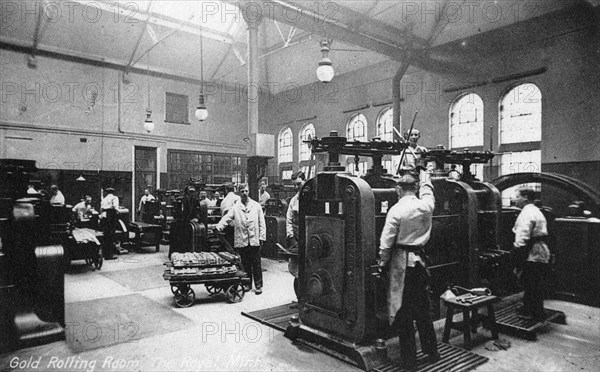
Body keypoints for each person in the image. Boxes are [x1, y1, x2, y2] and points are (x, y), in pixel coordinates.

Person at [378, 166, 439, 370]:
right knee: (423, 311)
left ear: (398, 189)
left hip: (402, 265)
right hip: (420, 263)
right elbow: (429, 192)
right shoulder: (426, 205)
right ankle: (432, 352)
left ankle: (409, 362)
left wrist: (381, 263)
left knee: (404, 315)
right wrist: (425, 177)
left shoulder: (396, 210)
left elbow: (386, 242)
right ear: (415, 187)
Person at [216, 185, 266, 294]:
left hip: (254, 239)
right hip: (242, 239)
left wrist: (262, 237)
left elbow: (262, 222)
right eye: (242, 191)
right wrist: (218, 227)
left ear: (249, 192)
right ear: (239, 193)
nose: (244, 193)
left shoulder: (256, 206)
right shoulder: (235, 207)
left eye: (246, 191)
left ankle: (258, 285)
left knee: (256, 264)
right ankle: (247, 284)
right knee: (245, 263)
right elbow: (227, 218)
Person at [513, 187, 551, 321]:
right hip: (540, 250)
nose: (515, 200)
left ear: (525, 197)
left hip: (531, 251)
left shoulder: (527, 213)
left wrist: (518, 252)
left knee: (531, 283)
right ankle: (532, 309)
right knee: (535, 283)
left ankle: (533, 312)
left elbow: (522, 235)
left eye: (517, 197)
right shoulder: (535, 210)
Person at [286, 171, 306, 300]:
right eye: (294, 185)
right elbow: (289, 220)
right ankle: (300, 299)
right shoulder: (294, 201)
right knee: (297, 271)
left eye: (298, 184)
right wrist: (292, 238)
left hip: (311, 239)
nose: (296, 187)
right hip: (298, 239)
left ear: (305, 180)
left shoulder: (314, 198)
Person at [100, 187, 119, 260]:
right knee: (111, 234)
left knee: (105, 234)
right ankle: (110, 255)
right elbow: (115, 206)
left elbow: (101, 208)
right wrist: (118, 211)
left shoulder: (104, 199)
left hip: (104, 215)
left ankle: (105, 253)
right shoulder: (114, 198)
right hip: (111, 215)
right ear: (113, 192)